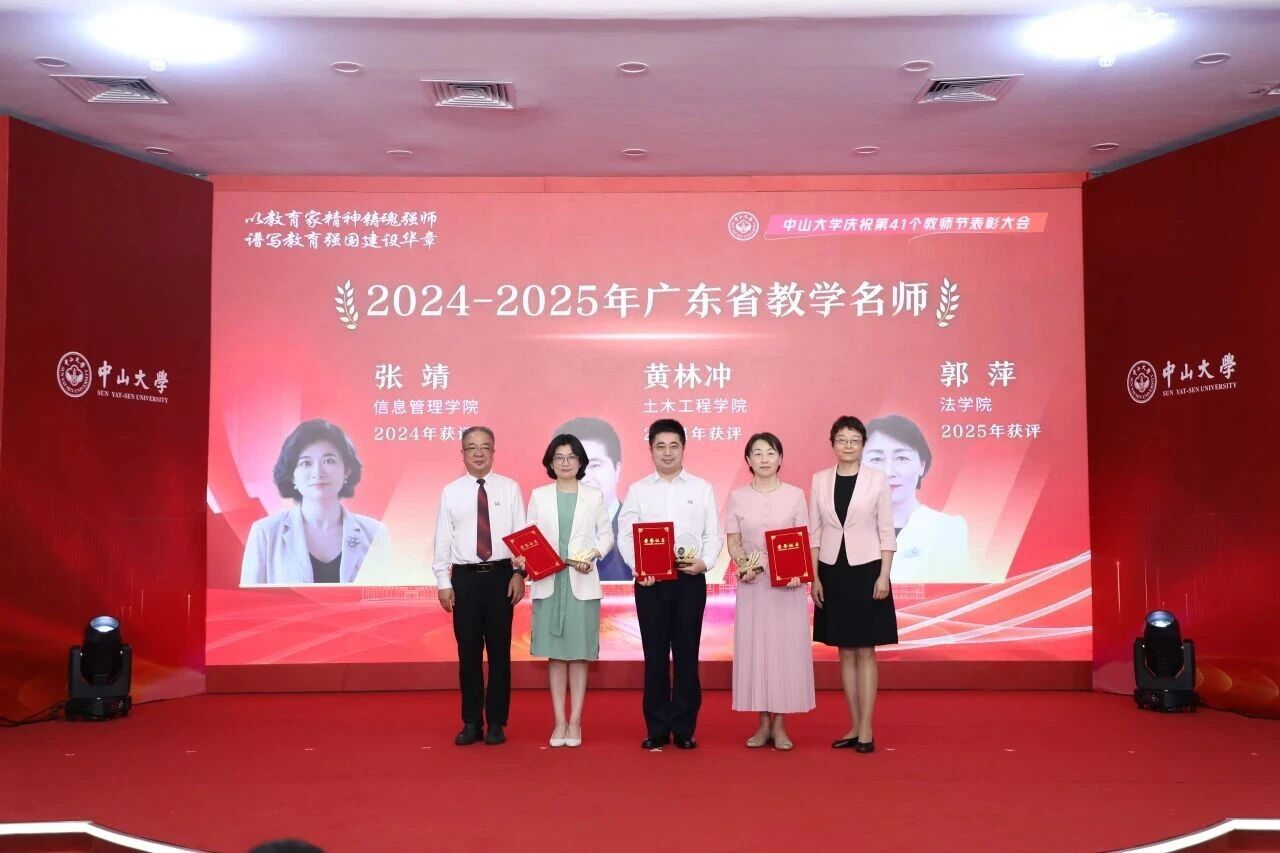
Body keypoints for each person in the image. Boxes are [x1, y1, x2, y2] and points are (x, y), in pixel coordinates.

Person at [618, 418, 722, 750]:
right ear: (650, 450)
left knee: (687, 655)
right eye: (660, 446)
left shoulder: (701, 488)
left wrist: (705, 562)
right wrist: (638, 567)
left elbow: (713, 535)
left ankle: (685, 727)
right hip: (650, 582)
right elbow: (626, 536)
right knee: (656, 656)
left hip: (690, 579)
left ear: (683, 448)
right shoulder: (638, 490)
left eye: (673, 446)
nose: (667, 452)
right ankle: (657, 727)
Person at [431, 426, 527, 746]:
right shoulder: (451, 491)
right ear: (462, 453)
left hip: (501, 576)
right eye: (472, 448)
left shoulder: (509, 488)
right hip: (465, 579)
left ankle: (497, 722)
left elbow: (521, 535)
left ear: (493, 452)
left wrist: (519, 573)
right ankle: (472, 721)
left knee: (500, 652)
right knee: (468, 653)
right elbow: (443, 540)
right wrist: (443, 582)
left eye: (485, 447)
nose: (479, 453)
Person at [810, 416, 896, 754]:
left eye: (854, 440)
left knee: (865, 650)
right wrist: (815, 576)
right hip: (832, 570)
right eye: (842, 439)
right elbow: (815, 532)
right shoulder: (820, 480)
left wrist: (884, 575)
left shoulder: (877, 479)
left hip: (868, 569)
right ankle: (854, 724)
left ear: (863, 444)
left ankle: (867, 729)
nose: (848, 445)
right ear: (832, 443)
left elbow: (886, 531)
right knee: (843, 651)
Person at [725, 432, 815, 751]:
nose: (764, 458)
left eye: (770, 452)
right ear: (748, 460)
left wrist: (798, 572)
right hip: (753, 583)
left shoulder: (795, 495)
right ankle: (762, 723)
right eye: (757, 453)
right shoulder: (737, 497)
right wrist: (743, 564)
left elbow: (802, 539)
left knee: (784, 652)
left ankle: (780, 725)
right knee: (756, 650)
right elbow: (733, 540)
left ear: (780, 458)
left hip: (787, 586)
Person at [523, 434, 614, 748]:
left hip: (581, 582)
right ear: (551, 462)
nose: (565, 463)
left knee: (578, 655)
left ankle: (575, 721)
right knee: (556, 656)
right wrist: (525, 557)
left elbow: (606, 536)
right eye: (559, 457)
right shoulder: (539, 496)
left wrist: (593, 555)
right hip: (550, 582)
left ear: (580, 462)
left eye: (571, 457)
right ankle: (559, 721)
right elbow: (529, 538)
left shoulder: (593, 495)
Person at [241, 419, 387, 585]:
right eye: (306, 463)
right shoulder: (265, 533)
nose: (318, 472)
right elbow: (250, 599)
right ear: (292, 475)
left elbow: (386, 598)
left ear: (347, 470)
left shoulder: (374, 533)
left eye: (329, 461)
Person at [862, 414, 971, 583]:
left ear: (922, 464)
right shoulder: (844, 530)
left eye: (902, 458)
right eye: (876, 459)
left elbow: (955, 593)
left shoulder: (947, 529)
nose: (889, 472)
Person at [553, 417, 630, 580]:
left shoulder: (633, 526)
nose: (585, 477)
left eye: (595, 465)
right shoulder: (552, 523)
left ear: (617, 470)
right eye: (578, 466)